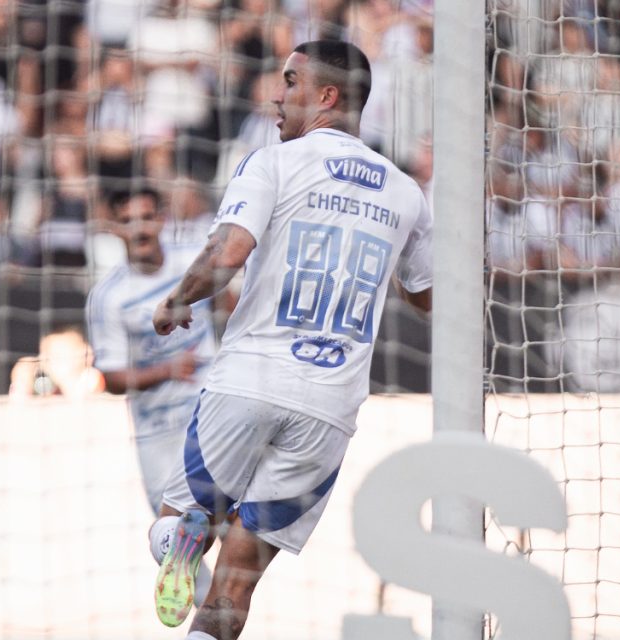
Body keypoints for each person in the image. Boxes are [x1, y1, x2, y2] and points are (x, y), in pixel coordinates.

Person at [147, 39, 432, 638]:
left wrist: (177, 299)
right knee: (236, 585)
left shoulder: (275, 162)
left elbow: (228, 251)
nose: (278, 95)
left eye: (291, 81)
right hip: (330, 407)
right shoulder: (406, 192)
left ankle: (185, 535)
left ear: (327, 96)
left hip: (249, 380)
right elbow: (429, 296)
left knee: (169, 527)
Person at [86, 186, 223, 514]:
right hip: (157, 429)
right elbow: (112, 378)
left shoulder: (193, 260)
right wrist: (168, 370)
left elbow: (228, 300)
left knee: (232, 520)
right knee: (173, 535)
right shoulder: (108, 297)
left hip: (210, 412)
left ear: (162, 219)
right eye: (128, 221)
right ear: (115, 229)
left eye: (147, 217)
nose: (139, 229)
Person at [9, 324, 106, 398]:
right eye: (44, 355)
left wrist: (63, 379)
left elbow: (81, 403)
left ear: (86, 355)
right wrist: (22, 384)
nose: (45, 362)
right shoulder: (50, 386)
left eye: (56, 356)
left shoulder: (91, 378)